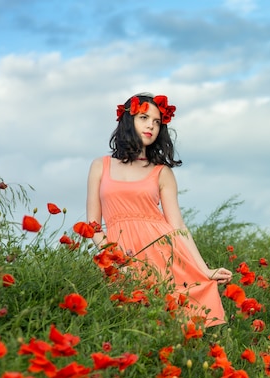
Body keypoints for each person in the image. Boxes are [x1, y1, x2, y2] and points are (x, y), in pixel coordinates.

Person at [86, 92, 232, 327]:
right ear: (128, 120)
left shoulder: (162, 172)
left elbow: (177, 226)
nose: (151, 126)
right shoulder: (100, 166)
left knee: (167, 326)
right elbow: (92, 227)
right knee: (125, 325)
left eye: (156, 122)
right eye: (144, 118)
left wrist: (205, 270)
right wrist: (118, 261)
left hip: (162, 256)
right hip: (120, 257)